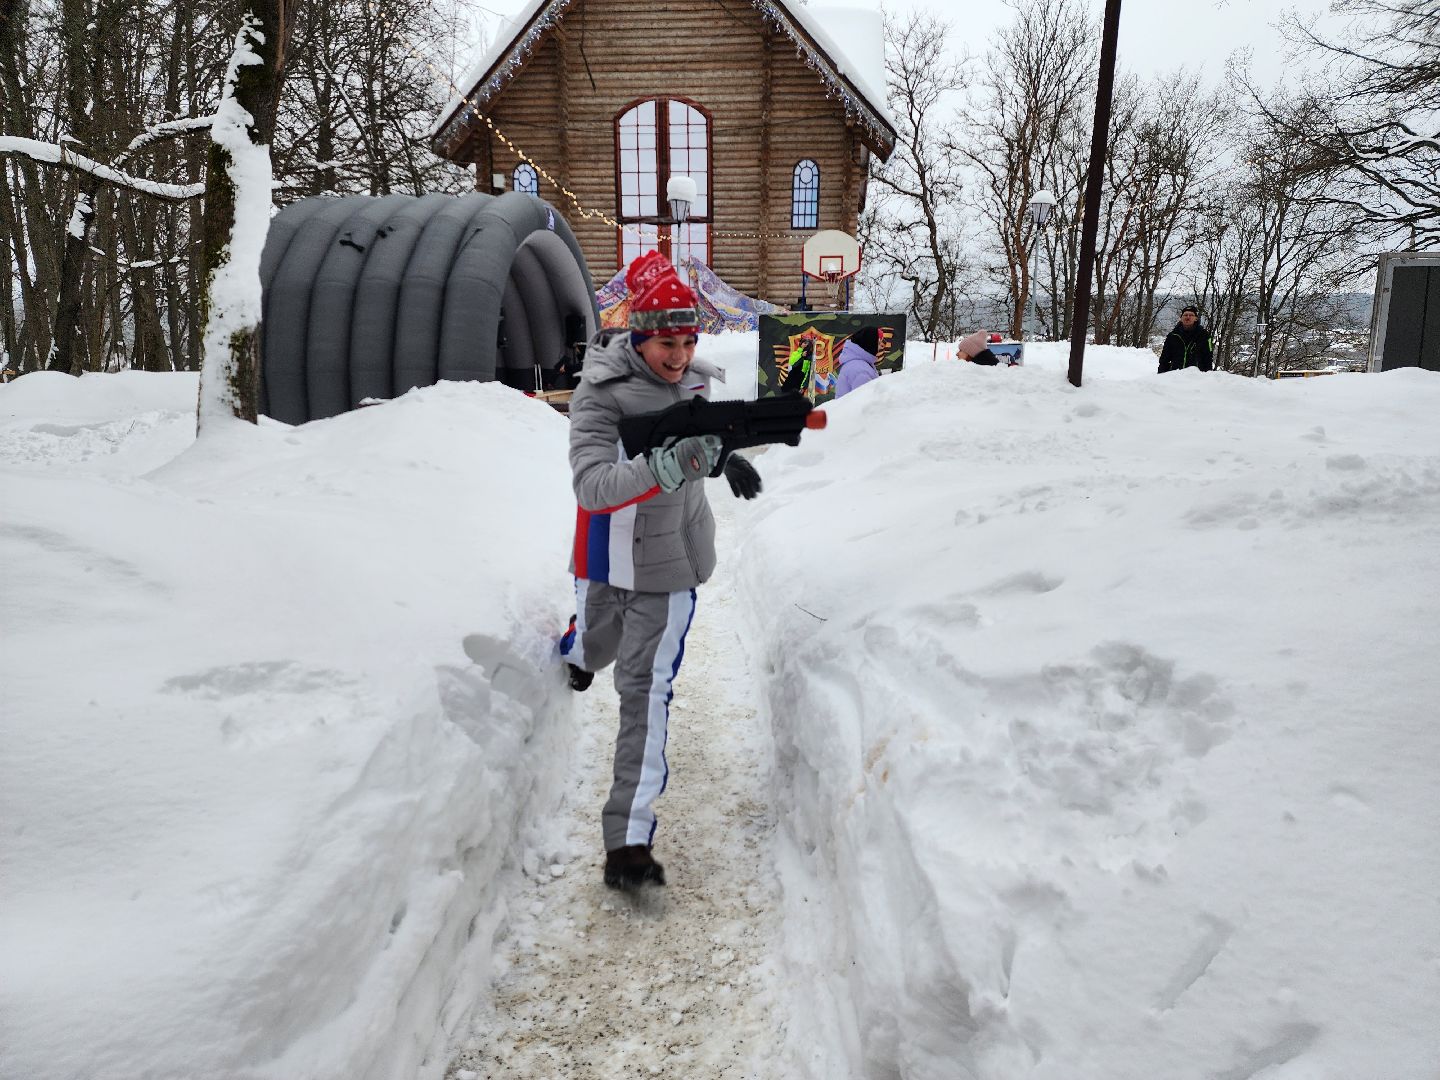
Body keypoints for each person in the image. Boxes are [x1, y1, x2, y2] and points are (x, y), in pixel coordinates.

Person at [559, 250, 762, 892]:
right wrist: (667, 468)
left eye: (687, 340)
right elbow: (592, 485)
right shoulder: (598, 396)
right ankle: (575, 649)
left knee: (644, 697)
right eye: (666, 343)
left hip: (670, 565)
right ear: (640, 337)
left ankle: (627, 842)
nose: (679, 355)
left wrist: (721, 458)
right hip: (606, 558)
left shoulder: (694, 383)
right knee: (595, 648)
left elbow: (704, 436)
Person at [1158, 305, 1214, 373]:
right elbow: (1164, 358)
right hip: (1175, 376)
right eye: (1185, 315)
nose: (1188, 317)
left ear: (1196, 318)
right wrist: (1161, 375)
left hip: (1197, 377)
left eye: (1191, 315)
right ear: (1181, 318)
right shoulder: (1172, 335)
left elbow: (1208, 358)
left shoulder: (1204, 335)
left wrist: (1208, 377)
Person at [834, 326, 881, 398]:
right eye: (879, 343)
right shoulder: (861, 370)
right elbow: (863, 402)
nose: (880, 347)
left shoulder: (856, 364)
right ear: (871, 343)